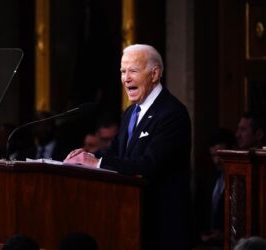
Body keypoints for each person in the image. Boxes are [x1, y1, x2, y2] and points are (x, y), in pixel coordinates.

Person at [64, 44, 192, 249]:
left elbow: (148, 165)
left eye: (133, 71)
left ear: (155, 74)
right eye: (123, 72)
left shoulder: (172, 113)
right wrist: (86, 157)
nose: (126, 78)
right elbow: (114, 153)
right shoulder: (130, 113)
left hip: (160, 228)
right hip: (128, 223)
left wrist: (96, 162)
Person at [198, 128, 235, 247]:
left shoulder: (238, 181)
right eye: (213, 156)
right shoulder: (209, 179)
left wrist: (224, 234)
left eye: (220, 155)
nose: (217, 161)